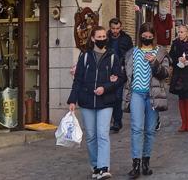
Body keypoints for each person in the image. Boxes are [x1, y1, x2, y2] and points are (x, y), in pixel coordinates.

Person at [68, 26, 124, 180]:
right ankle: (95, 166)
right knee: (91, 136)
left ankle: (104, 168)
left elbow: (120, 78)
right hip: (86, 102)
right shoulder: (85, 56)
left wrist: (105, 88)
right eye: (98, 37)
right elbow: (78, 79)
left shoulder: (112, 56)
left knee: (103, 134)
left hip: (105, 102)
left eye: (103, 36)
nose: (101, 39)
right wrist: (72, 100)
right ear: (92, 38)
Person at [123, 23, 170, 178]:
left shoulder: (160, 52)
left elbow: (165, 74)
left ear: (154, 37)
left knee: (149, 130)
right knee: (136, 128)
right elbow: (127, 74)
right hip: (137, 93)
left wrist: (154, 62)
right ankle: (135, 164)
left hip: (153, 95)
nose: (147, 38)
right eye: (145, 36)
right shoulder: (132, 52)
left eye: (150, 36)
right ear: (140, 35)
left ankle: (146, 162)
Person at [106, 18, 133, 133]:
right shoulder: (106, 38)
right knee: (108, 97)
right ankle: (108, 120)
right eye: (113, 28)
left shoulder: (126, 39)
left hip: (121, 71)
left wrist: (126, 67)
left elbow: (131, 54)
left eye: (117, 28)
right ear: (110, 28)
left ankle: (117, 122)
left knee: (118, 97)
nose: (115, 31)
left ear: (120, 28)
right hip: (107, 70)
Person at [169, 24, 188, 132]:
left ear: (187, 33)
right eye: (178, 32)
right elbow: (171, 56)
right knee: (181, 98)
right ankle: (183, 123)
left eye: (182, 32)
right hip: (179, 73)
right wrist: (178, 60)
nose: (180, 34)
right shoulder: (175, 44)